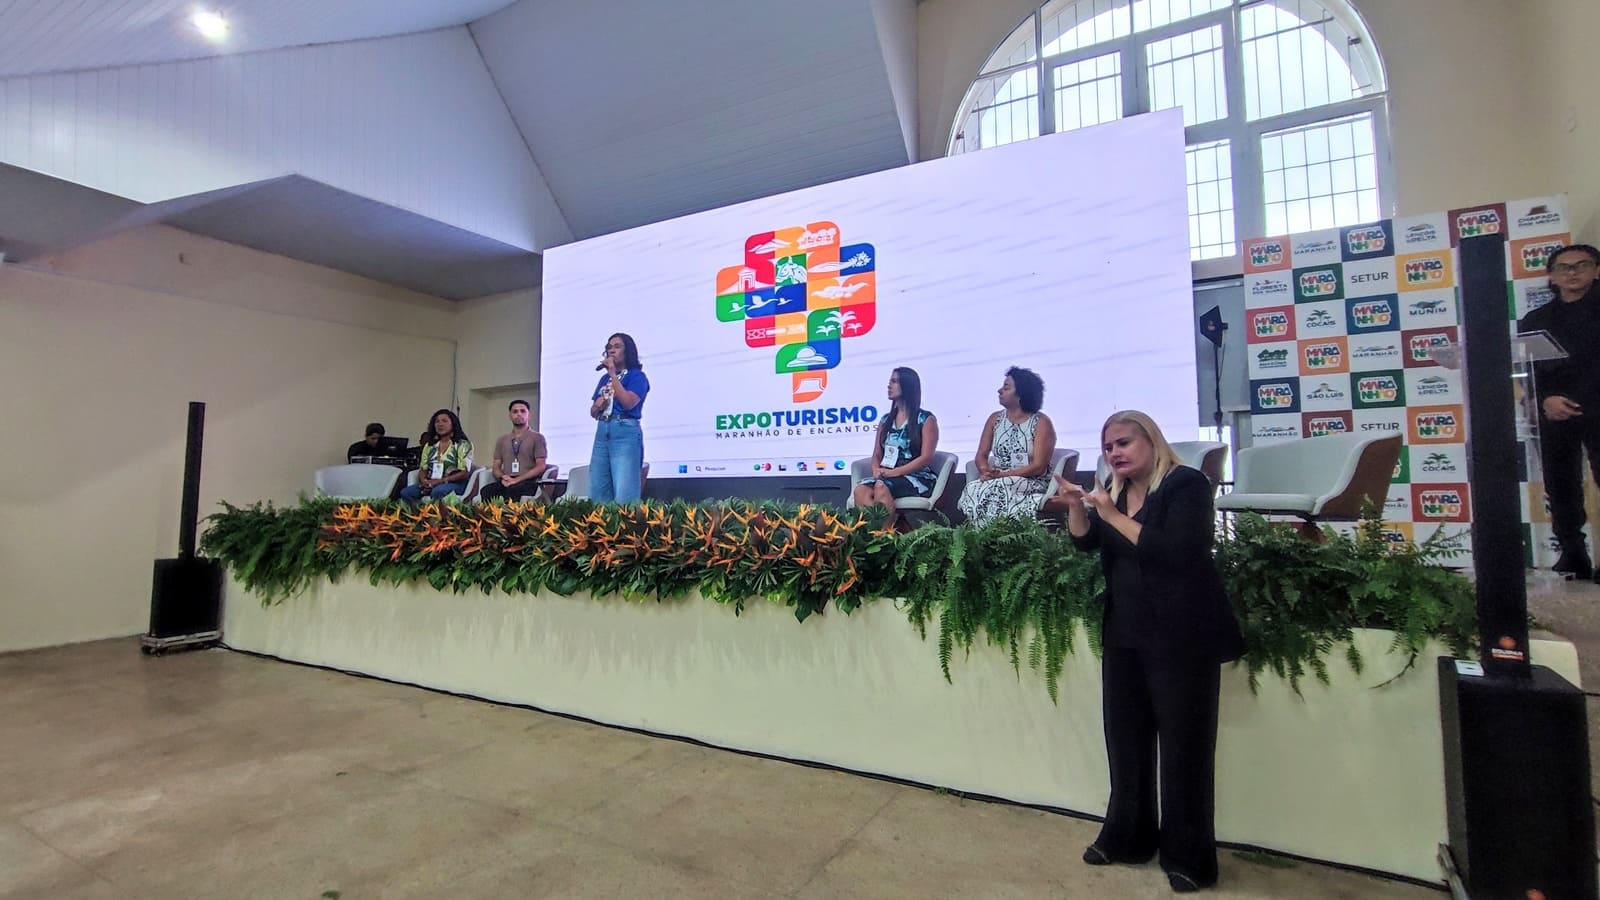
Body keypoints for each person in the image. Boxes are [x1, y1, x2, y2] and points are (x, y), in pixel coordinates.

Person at [1055, 410, 1245, 894]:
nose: (1114, 453)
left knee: (1184, 750)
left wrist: (1110, 514)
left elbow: (1177, 551)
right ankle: (1128, 838)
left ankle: (1188, 858)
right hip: (1125, 632)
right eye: (1108, 447)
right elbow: (1088, 543)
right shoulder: (1114, 492)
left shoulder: (1186, 485)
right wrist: (1077, 507)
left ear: (1151, 441)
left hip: (1182, 636)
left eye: (1123, 443)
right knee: (1126, 743)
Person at [1519, 243, 1600, 580]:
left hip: (1598, 405)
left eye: (1582, 265)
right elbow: (1528, 370)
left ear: (1595, 270)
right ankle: (1572, 553)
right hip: (1554, 411)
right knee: (1560, 483)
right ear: (1552, 276)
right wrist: (1544, 400)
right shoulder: (1536, 320)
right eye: (1564, 267)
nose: (1573, 273)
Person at [957, 367, 1057, 527]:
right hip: (998, 478)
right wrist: (985, 471)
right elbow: (981, 455)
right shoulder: (995, 419)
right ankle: (981, 536)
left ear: (1021, 393)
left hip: (1030, 480)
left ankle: (1006, 535)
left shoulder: (1041, 422)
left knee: (1001, 487)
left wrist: (1003, 476)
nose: (1000, 390)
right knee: (973, 488)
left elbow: (1038, 467)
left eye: (1006, 387)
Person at [852, 367, 940, 516]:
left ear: (906, 385)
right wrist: (876, 469)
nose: (889, 386)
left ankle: (886, 529)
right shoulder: (885, 420)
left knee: (881, 487)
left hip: (916, 476)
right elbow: (877, 453)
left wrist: (895, 472)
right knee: (860, 490)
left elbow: (926, 457)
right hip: (887, 475)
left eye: (894, 381)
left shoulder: (925, 419)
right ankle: (880, 528)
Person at [589, 332, 650, 503]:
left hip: (624, 429)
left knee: (625, 491)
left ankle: (625, 521)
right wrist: (598, 406)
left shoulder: (636, 376)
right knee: (598, 489)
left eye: (617, 347)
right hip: (603, 430)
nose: (611, 350)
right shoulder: (604, 379)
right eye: (609, 347)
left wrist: (613, 375)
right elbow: (593, 412)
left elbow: (628, 403)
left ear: (627, 351)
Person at [478, 399, 549, 503]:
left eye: (522, 411)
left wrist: (517, 480)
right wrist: (504, 477)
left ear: (529, 415)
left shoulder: (537, 438)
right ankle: (491, 514)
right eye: (515, 411)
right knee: (486, 491)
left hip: (528, 481)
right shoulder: (502, 440)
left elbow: (541, 466)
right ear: (510, 416)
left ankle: (511, 514)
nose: (519, 414)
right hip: (507, 480)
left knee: (513, 490)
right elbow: (496, 467)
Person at [398, 409, 474, 503]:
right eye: (437, 422)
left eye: (444, 421)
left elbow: (465, 473)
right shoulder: (430, 446)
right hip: (431, 482)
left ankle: (437, 512)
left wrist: (441, 481)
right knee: (406, 493)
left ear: (453, 424)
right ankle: (420, 512)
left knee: (438, 491)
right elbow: (423, 469)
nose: (440, 424)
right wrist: (424, 481)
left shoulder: (463, 445)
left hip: (455, 483)